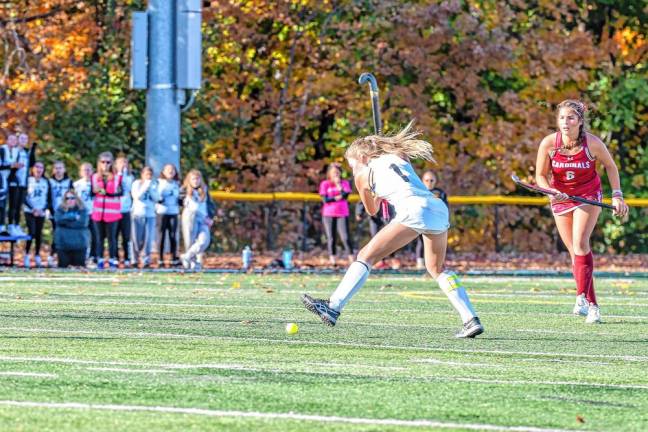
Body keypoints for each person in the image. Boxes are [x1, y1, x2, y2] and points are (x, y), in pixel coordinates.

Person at [302, 121, 484, 338]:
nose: (352, 170)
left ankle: (333, 306)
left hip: (414, 209)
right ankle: (470, 319)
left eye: (352, 165)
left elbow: (371, 210)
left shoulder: (362, 176)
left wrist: (377, 196)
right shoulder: (399, 155)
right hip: (437, 207)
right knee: (437, 268)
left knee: (365, 256)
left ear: (362, 158)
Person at [535, 99, 628, 324]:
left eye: (570, 118)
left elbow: (610, 166)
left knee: (580, 244)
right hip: (561, 199)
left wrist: (617, 195)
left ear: (580, 121)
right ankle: (593, 304)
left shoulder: (592, 144)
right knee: (576, 255)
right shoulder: (549, 143)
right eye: (561, 118)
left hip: (587, 196)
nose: (565, 122)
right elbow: (540, 175)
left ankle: (580, 297)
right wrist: (550, 192)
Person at [91, 152, 123, 269]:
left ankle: (113, 259)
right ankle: (99, 259)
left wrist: (105, 193)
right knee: (99, 238)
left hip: (112, 213)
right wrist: (99, 192)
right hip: (98, 212)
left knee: (112, 238)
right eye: (103, 162)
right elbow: (92, 192)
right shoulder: (94, 177)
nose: (105, 164)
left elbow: (120, 192)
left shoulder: (117, 177)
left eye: (108, 162)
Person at [318, 163, 354, 266]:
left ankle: (351, 259)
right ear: (329, 173)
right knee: (331, 237)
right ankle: (333, 260)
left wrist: (339, 186)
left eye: (337, 172)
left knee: (345, 237)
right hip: (328, 214)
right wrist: (338, 197)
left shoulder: (344, 183)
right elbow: (325, 200)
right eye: (333, 172)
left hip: (342, 213)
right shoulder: (325, 184)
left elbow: (346, 196)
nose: (336, 174)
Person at [180, 169, 215, 271]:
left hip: (203, 218)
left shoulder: (204, 189)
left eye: (198, 178)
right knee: (190, 241)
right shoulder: (184, 190)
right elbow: (191, 206)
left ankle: (186, 256)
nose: (196, 181)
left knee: (204, 240)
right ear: (189, 180)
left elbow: (209, 205)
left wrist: (210, 217)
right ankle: (193, 263)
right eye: (193, 179)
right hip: (191, 217)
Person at [415, 170, 448, 269]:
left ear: (436, 181)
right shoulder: (418, 191)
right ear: (422, 181)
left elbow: (445, 207)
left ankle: (437, 263)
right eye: (426, 180)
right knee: (421, 241)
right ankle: (420, 261)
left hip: (436, 222)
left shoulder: (440, 193)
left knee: (438, 243)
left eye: (431, 180)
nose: (429, 183)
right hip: (423, 221)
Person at [7, 133, 36, 236]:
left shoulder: (27, 152)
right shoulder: (14, 151)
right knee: (13, 205)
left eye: (26, 138)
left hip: (24, 182)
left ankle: (17, 225)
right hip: (14, 182)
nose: (24, 140)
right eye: (22, 138)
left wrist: (33, 150)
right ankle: (11, 225)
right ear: (18, 140)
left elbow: (32, 164)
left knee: (19, 206)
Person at [131, 166, 159, 268]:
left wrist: (150, 188)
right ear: (142, 174)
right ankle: (134, 259)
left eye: (150, 175)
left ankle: (146, 260)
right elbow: (137, 196)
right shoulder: (136, 183)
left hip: (150, 215)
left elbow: (157, 198)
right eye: (146, 174)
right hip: (138, 214)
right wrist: (145, 186)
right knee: (136, 238)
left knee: (148, 239)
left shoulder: (154, 184)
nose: (148, 176)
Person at [23, 162, 50, 268]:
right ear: (33, 169)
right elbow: (24, 197)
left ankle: (38, 255)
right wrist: (32, 209)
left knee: (39, 233)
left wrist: (42, 209)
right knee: (31, 232)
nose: (39, 169)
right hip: (30, 211)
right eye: (37, 167)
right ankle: (26, 254)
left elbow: (48, 198)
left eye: (41, 167)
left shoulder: (45, 182)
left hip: (41, 210)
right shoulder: (28, 180)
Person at [54, 190, 89, 268]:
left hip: (79, 245)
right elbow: (58, 220)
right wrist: (73, 217)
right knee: (63, 269)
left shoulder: (83, 210)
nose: (70, 200)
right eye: (67, 198)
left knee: (80, 269)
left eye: (72, 198)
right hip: (63, 245)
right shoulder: (60, 209)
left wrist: (65, 222)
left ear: (76, 199)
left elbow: (82, 223)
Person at [48, 160, 73, 266]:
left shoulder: (69, 182)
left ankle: (66, 257)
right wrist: (50, 210)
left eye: (60, 168)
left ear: (64, 170)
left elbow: (72, 197)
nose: (58, 170)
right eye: (56, 168)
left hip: (66, 212)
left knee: (67, 234)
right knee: (56, 234)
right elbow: (47, 197)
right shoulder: (49, 182)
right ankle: (52, 255)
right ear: (53, 170)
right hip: (54, 211)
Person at [156, 163, 180, 267]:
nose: (170, 171)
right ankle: (160, 258)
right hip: (162, 212)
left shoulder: (176, 184)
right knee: (161, 235)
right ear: (163, 172)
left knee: (173, 235)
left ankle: (173, 258)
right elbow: (157, 196)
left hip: (173, 212)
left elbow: (179, 197)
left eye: (173, 170)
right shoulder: (159, 182)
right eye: (168, 169)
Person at [74, 163, 96, 265]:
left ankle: (92, 257)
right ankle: (80, 257)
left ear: (92, 171)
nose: (87, 172)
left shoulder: (96, 184)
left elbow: (103, 194)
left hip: (94, 213)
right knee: (81, 236)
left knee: (94, 236)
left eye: (89, 170)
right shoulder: (76, 185)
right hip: (82, 214)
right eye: (84, 170)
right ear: (80, 172)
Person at [114, 156, 134, 267]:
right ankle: (116, 257)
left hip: (126, 209)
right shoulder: (114, 177)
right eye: (120, 163)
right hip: (115, 209)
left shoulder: (130, 177)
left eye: (125, 162)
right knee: (115, 235)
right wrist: (120, 174)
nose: (123, 164)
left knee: (126, 235)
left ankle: (127, 257)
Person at [0, 134, 17, 234]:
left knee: (3, 205)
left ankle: (2, 227)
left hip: (5, 181)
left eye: (14, 139)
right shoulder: (1, 150)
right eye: (11, 138)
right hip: (1, 179)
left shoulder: (16, 152)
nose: (12, 141)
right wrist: (10, 165)